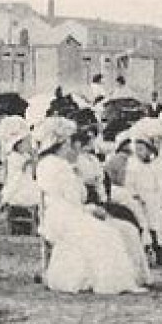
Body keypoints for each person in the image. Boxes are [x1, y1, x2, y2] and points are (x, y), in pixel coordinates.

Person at [32, 116, 148, 294]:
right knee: (107, 234)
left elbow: (77, 198)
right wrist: (91, 210)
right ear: (63, 144)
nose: (74, 147)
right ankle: (109, 281)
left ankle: (135, 276)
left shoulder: (63, 165)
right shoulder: (53, 166)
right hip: (61, 216)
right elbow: (69, 200)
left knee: (126, 229)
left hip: (72, 211)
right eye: (71, 142)